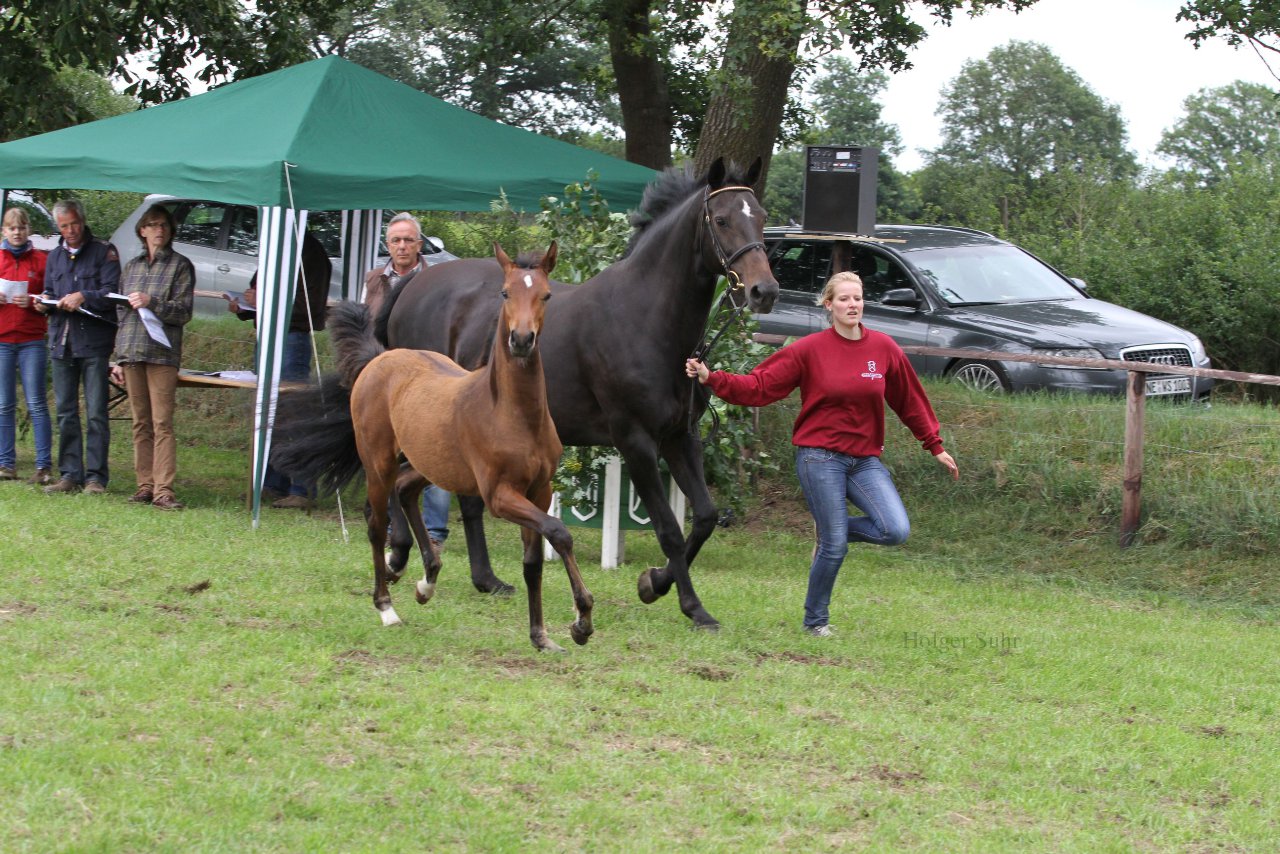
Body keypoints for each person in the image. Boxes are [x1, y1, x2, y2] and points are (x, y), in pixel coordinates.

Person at [686, 271, 960, 637]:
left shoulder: (883, 349)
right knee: (834, 547)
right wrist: (711, 377)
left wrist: (935, 446)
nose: (853, 305)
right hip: (819, 458)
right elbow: (759, 386)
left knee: (894, 530)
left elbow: (909, 401)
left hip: (864, 461)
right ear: (829, 305)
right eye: (844, 299)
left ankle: (831, 529)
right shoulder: (809, 349)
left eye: (858, 298)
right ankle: (815, 622)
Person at [363, 212, 450, 546]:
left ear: (420, 244)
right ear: (388, 245)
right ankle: (385, 526)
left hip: (427, 380)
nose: (402, 246)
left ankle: (436, 531)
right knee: (382, 455)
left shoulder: (438, 279)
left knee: (435, 451)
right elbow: (364, 326)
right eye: (395, 240)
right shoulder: (374, 279)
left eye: (408, 240)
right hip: (384, 382)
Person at [229, 229, 331, 509]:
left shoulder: (309, 250)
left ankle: (302, 488)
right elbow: (261, 290)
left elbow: (309, 307)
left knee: (293, 415)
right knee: (269, 413)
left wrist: (263, 299)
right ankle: (274, 483)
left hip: (291, 337)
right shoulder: (279, 241)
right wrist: (245, 303)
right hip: (267, 336)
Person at [109, 204, 195, 510]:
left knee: (162, 423)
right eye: (153, 224)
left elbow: (184, 312)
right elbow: (120, 313)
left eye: (165, 226)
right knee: (140, 422)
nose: (159, 230)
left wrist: (152, 301)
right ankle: (144, 485)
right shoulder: (130, 267)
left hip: (161, 353)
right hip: (131, 351)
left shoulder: (180, 265)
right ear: (142, 230)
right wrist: (116, 357)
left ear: (171, 232)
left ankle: (164, 490)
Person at [36, 199, 120, 495]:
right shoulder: (55, 256)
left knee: (97, 411)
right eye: (64, 226)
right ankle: (70, 474)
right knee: (65, 411)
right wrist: (42, 303)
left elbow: (112, 293)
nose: (70, 230)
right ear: (57, 227)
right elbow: (49, 291)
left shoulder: (103, 251)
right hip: (61, 342)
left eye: (74, 223)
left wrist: (83, 295)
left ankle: (96, 477)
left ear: (82, 221)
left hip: (94, 342)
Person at [0, 206, 52, 484]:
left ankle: (44, 466)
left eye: (21, 227)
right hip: (2, 340)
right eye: (11, 228)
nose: (17, 232)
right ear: (4, 231)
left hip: (32, 339)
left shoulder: (41, 260)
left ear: (28, 230)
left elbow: (50, 298)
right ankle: (6, 464)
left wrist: (34, 301)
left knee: (36, 403)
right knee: (4, 404)